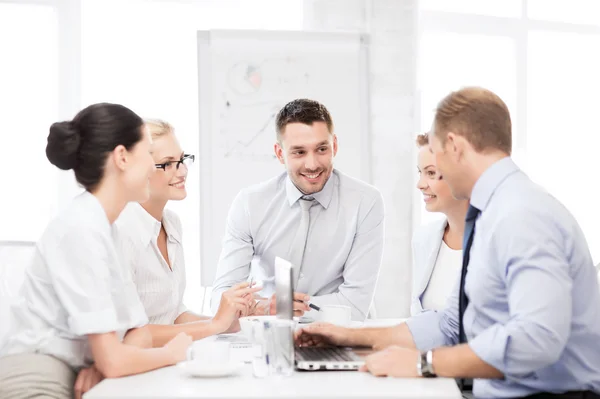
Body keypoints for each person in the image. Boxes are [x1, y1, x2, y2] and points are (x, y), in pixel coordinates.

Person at [296, 87, 600, 398]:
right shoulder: (490, 213)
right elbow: (451, 325)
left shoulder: (521, 214)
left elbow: (537, 340)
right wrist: (349, 337)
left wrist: (422, 364)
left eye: (437, 155)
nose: (427, 176)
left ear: (454, 146)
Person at [0, 103, 192, 399]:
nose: (155, 169)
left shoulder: (106, 227)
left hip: (82, 372)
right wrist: (172, 352)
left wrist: (108, 364)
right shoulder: (82, 228)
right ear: (122, 157)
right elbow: (115, 358)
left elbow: (138, 332)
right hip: (39, 376)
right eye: (148, 155)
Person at [211, 98, 385, 321]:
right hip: (272, 334)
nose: (312, 164)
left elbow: (355, 305)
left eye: (322, 149)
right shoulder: (249, 204)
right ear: (280, 153)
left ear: (335, 146)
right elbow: (222, 298)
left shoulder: (366, 202)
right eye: (299, 152)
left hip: (343, 335)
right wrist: (266, 308)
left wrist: (274, 306)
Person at [113, 119, 259, 347]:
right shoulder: (121, 232)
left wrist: (227, 322)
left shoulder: (171, 223)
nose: (182, 171)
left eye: (182, 160)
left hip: (160, 361)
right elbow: (129, 334)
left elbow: (173, 315)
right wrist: (214, 325)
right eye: (167, 164)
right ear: (139, 169)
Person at [412, 133, 468, 315]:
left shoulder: (494, 239)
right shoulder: (424, 239)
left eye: (431, 173)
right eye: (420, 172)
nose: (420, 184)